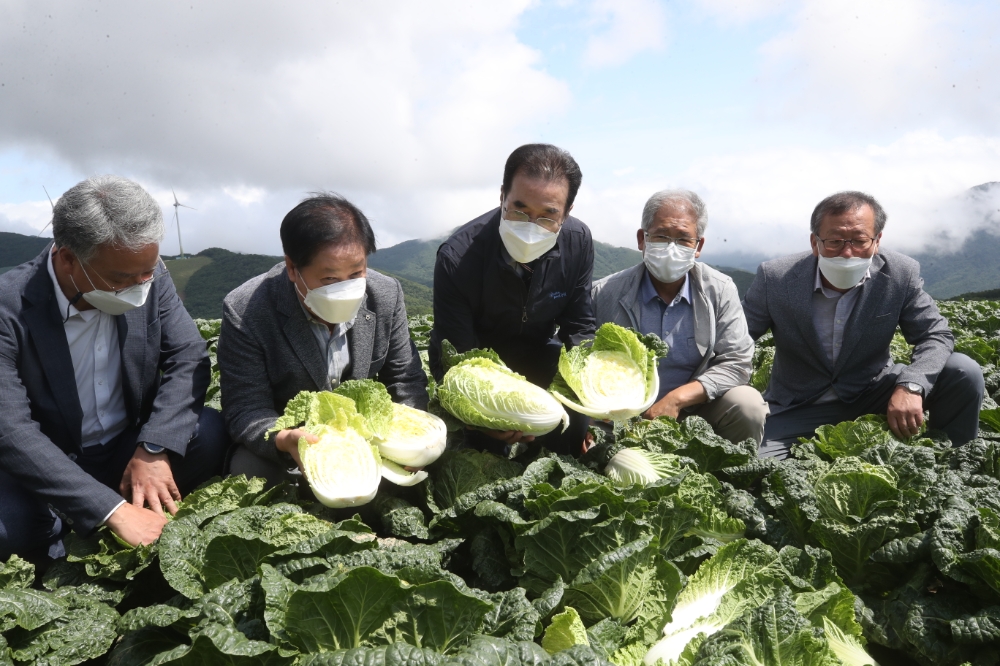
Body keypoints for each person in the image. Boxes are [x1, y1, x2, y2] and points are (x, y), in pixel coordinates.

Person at [0, 175, 227, 559]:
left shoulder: (150, 279)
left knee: (210, 431)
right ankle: (76, 523)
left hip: (127, 446)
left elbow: (187, 356)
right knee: (10, 529)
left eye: (148, 271)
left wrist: (154, 446)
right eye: (123, 278)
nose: (141, 285)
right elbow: (12, 430)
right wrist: (111, 510)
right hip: (47, 462)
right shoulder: (9, 308)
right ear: (68, 257)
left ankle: (92, 517)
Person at [743, 191, 985, 459]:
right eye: (834, 241)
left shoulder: (900, 273)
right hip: (798, 404)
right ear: (815, 242)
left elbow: (935, 335)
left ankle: (955, 460)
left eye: (860, 241)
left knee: (963, 371)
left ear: (877, 240)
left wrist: (911, 386)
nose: (847, 253)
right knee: (759, 472)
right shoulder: (776, 278)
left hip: (874, 393)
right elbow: (736, 340)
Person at [219, 193, 428, 484]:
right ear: (292, 268)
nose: (346, 288)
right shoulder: (247, 310)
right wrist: (284, 439)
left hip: (367, 436)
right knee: (251, 471)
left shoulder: (385, 294)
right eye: (329, 279)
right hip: (296, 442)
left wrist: (408, 442)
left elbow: (405, 379)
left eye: (357, 273)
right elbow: (246, 407)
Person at [428, 143, 596, 455]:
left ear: (567, 212)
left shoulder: (578, 242)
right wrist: (490, 411)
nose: (531, 226)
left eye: (548, 216)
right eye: (519, 210)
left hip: (536, 354)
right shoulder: (457, 257)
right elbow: (459, 355)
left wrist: (596, 387)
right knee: (482, 448)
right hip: (472, 363)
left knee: (571, 424)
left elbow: (579, 325)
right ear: (502, 195)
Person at [592, 189, 767, 444]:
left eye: (684, 239)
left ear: (698, 246)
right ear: (642, 239)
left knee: (748, 404)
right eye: (661, 236)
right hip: (619, 416)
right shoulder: (604, 293)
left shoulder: (719, 289)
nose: (671, 248)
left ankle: (733, 477)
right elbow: (583, 359)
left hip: (697, 411)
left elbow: (737, 362)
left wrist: (677, 399)